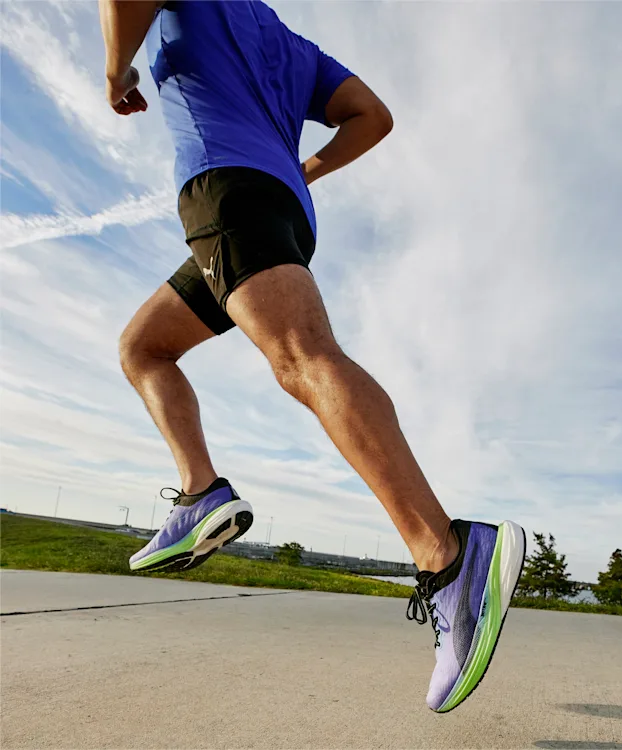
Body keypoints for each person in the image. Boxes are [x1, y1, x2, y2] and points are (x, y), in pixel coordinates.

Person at [98, 0, 525, 712]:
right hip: (281, 207)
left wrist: (117, 73)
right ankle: (203, 494)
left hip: (224, 192)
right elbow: (372, 116)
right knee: (145, 346)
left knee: (302, 357)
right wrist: (304, 171)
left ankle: (449, 558)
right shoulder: (288, 42)